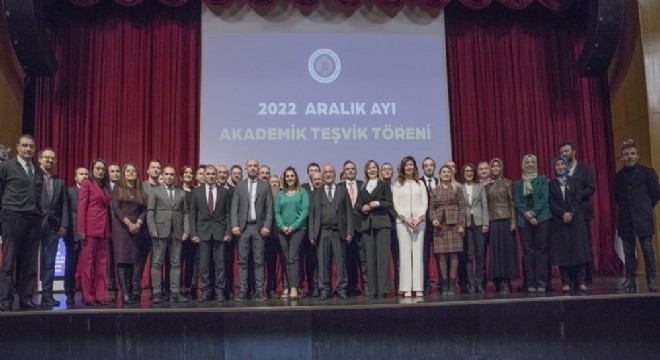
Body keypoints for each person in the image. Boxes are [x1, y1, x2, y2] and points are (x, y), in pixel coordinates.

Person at [0, 135, 44, 311]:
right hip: (13, 217)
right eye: (25, 146)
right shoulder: (6, 167)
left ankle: (26, 299)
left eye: (31, 147)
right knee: (9, 261)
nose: (28, 149)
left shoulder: (37, 169)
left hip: (33, 219)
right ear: (17, 147)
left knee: (29, 261)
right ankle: (5, 300)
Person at [614, 140, 660, 292]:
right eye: (626, 154)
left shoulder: (648, 172)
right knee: (628, 251)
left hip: (643, 217)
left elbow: (655, 194)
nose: (629, 157)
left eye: (632, 154)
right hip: (626, 218)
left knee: (647, 249)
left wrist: (644, 207)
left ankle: (651, 279)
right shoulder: (618, 176)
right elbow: (616, 197)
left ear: (637, 156)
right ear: (622, 157)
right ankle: (630, 279)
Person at [308, 164, 354, 300]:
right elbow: (312, 215)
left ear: (335, 175)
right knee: (322, 263)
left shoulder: (342, 191)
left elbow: (349, 213)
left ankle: (341, 288)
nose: (328, 174)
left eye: (331, 172)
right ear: (322, 175)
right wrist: (312, 234)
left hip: (338, 232)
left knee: (341, 263)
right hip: (322, 232)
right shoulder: (317, 192)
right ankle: (325, 289)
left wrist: (350, 231)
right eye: (326, 172)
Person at [231, 159, 273, 301]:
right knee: (242, 262)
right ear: (246, 168)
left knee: (259, 261)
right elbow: (234, 207)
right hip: (242, 229)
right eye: (250, 166)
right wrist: (234, 225)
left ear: (258, 168)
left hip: (259, 228)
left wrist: (267, 225)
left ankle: (260, 291)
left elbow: (269, 207)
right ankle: (243, 290)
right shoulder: (240, 185)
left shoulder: (265, 185)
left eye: (255, 166)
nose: (253, 168)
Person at [548, 157, 591, 294]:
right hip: (559, 221)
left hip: (575, 220)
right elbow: (551, 202)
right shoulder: (552, 184)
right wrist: (562, 214)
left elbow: (578, 199)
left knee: (579, 250)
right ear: (554, 168)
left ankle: (581, 281)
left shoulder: (575, 181)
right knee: (563, 252)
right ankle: (566, 282)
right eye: (557, 165)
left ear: (566, 166)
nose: (560, 167)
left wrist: (570, 213)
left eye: (562, 164)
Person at [147, 165, 190, 303]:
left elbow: (185, 213)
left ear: (175, 176)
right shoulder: (155, 191)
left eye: (172, 174)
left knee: (176, 263)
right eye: (167, 174)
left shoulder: (181, 192)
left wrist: (186, 231)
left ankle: (175, 293)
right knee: (157, 263)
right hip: (159, 231)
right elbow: (150, 211)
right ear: (162, 175)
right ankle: (157, 293)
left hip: (177, 232)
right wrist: (152, 228)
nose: (169, 176)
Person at [190, 165, 232, 302]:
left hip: (220, 232)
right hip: (202, 233)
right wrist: (194, 233)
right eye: (208, 173)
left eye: (213, 173)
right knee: (204, 264)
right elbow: (192, 215)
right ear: (204, 175)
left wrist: (228, 232)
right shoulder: (196, 192)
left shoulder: (224, 191)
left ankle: (220, 291)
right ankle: (206, 291)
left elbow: (228, 214)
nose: (211, 176)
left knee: (220, 264)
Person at [559, 142, 596, 288]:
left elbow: (591, 188)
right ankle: (573, 280)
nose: (564, 154)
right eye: (561, 152)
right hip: (566, 216)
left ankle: (586, 280)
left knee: (584, 247)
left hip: (583, 213)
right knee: (570, 247)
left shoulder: (585, 169)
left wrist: (576, 196)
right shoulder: (561, 171)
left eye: (566, 151)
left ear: (573, 151)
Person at [355, 160, 393, 298]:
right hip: (367, 225)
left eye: (374, 168)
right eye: (369, 168)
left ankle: (382, 290)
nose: (371, 170)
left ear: (377, 170)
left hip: (382, 223)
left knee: (382, 258)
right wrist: (362, 208)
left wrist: (378, 203)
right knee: (369, 258)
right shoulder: (363, 187)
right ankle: (372, 290)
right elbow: (358, 205)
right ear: (366, 171)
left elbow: (390, 203)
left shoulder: (383, 185)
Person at [110, 163, 148, 305]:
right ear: (124, 173)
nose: (131, 173)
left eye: (133, 171)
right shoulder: (118, 188)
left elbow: (144, 209)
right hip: (121, 227)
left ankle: (132, 291)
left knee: (133, 261)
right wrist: (128, 223)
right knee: (122, 260)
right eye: (128, 171)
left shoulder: (140, 189)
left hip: (136, 228)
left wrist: (138, 223)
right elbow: (116, 208)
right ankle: (125, 293)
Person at [514, 154, 551, 294]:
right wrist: (528, 215)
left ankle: (542, 282)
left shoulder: (542, 179)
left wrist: (534, 213)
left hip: (542, 219)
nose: (530, 164)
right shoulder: (518, 184)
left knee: (542, 251)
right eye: (527, 162)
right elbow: (518, 202)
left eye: (532, 162)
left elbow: (544, 198)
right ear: (523, 165)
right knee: (528, 253)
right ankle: (530, 283)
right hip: (525, 221)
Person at [38, 148, 70, 307]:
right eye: (47, 157)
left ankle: (47, 296)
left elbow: (64, 204)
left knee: (49, 262)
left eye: (53, 158)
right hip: (34, 224)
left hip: (53, 227)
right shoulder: (34, 178)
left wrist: (64, 224)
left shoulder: (60, 182)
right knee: (29, 262)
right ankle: (27, 296)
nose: (50, 160)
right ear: (40, 159)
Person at [77, 158, 112, 306]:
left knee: (101, 265)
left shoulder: (106, 186)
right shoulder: (87, 183)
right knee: (87, 265)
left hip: (103, 229)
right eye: (97, 168)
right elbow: (82, 207)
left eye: (102, 169)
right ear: (93, 169)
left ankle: (100, 295)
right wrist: (82, 229)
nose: (100, 171)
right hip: (90, 229)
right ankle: (88, 296)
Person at [392, 156, 428, 297]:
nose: (409, 167)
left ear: (414, 167)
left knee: (418, 254)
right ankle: (406, 287)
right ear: (402, 167)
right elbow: (396, 204)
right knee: (405, 254)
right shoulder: (398, 184)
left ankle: (418, 287)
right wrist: (406, 218)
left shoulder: (420, 184)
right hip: (403, 223)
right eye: (406, 165)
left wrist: (419, 218)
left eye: (411, 165)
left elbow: (425, 203)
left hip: (419, 222)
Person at [430, 165, 466, 296]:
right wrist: (433, 219)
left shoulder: (457, 188)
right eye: (443, 172)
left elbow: (462, 208)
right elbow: (431, 209)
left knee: (454, 255)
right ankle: (444, 283)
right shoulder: (434, 190)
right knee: (442, 256)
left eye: (448, 172)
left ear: (451, 174)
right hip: (440, 226)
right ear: (439, 175)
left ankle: (452, 283)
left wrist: (461, 224)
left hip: (454, 224)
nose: (446, 174)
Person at [274, 167, 309, 300]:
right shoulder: (281, 194)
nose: (289, 178)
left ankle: (294, 287)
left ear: (296, 177)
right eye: (287, 176)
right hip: (283, 231)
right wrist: (282, 226)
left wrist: (293, 227)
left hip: (298, 230)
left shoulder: (302, 192)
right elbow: (276, 212)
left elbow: (305, 211)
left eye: (292, 176)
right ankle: (288, 286)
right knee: (286, 258)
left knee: (293, 257)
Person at [485, 158, 517, 294]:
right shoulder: (486, 185)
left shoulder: (508, 183)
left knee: (506, 252)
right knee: (495, 253)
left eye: (498, 166)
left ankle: (507, 281)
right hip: (492, 221)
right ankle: (498, 281)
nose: (496, 168)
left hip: (506, 219)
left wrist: (513, 221)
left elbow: (512, 203)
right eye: (493, 166)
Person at [339, 160, 367, 296]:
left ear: (356, 171)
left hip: (361, 227)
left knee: (363, 260)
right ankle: (350, 287)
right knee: (347, 260)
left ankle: (366, 287)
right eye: (347, 169)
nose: (350, 171)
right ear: (344, 172)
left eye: (352, 169)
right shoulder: (339, 187)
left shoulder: (363, 185)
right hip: (345, 230)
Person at [460, 163, 488, 294]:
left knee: (480, 255)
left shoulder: (479, 186)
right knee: (469, 256)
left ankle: (479, 283)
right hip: (466, 224)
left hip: (479, 223)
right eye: (467, 171)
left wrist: (485, 223)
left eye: (471, 171)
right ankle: (471, 283)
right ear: (463, 173)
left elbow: (484, 206)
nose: (469, 173)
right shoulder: (459, 187)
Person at [64, 167, 88, 305]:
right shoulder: (70, 192)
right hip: (73, 234)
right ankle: (69, 293)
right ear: (75, 177)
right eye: (81, 174)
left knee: (87, 267)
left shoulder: (92, 191)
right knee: (70, 265)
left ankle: (87, 294)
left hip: (90, 235)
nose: (84, 176)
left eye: (86, 174)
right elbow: (67, 211)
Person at [300, 162, 321, 297]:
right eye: (311, 170)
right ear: (308, 173)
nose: (313, 172)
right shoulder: (303, 188)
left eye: (316, 170)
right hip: (307, 231)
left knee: (322, 260)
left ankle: (321, 286)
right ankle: (311, 287)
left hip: (322, 230)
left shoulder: (325, 187)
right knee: (309, 261)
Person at [179, 165, 199, 300]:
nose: (188, 174)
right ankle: (177, 288)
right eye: (186, 172)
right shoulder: (176, 190)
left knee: (191, 262)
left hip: (193, 231)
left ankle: (189, 287)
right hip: (178, 232)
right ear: (181, 175)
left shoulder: (196, 192)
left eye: (190, 173)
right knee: (177, 262)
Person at [380, 162, 400, 291]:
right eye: (385, 169)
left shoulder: (397, 187)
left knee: (398, 258)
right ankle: (386, 287)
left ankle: (399, 285)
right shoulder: (378, 188)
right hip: (383, 225)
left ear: (393, 173)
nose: (387, 171)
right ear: (381, 172)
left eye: (389, 169)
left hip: (397, 225)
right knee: (384, 259)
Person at [421, 157, 437, 294]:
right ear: (423, 168)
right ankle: (425, 284)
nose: (429, 167)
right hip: (424, 225)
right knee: (424, 256)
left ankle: (442, 283)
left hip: (440, 225)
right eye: (426, 165)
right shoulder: (418, 183)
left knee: (441, 256)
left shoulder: (440, 181)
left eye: (431, 165)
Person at [106, 162, 121, 301]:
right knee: (109, 260)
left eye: (117, 171)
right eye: (112, 171)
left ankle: (125, 287)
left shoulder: (125, 188)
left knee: (122, 259)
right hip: (107, 227)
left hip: (122, 228)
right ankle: (111, 288)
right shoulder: (104, 187)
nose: (115, 173)